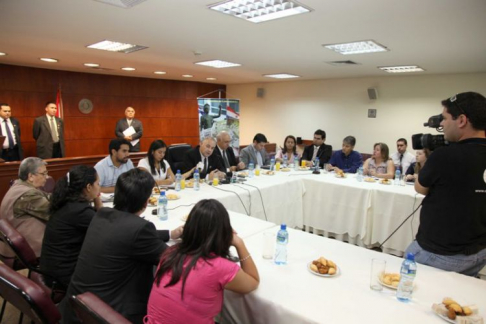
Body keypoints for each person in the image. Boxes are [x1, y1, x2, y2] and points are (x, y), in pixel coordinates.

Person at [59, 168, 183, 323]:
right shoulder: (140, 228)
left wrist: (170, 234)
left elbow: (128, 236)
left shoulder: (101, 215)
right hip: (108, 314)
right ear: (145, 202)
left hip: (77, 308)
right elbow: (173, 260)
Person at [405, 92, 486, 276]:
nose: (441, 124)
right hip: (479, 251)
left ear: (462, 120)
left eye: (444, 118)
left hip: (438, 253)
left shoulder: (445, 155)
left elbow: (420, 187)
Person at [145, 199, 259, 323]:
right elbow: (253, 282)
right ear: (223, 232)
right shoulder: (220, 267)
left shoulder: (171, 252)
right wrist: (239, 243)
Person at [40, 165, 102, 289]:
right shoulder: (80, 211)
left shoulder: (67, 202)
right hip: (63, 276)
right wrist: (98, 200)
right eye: (98, 183)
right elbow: (107, 228)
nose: (99, 187)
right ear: (89, 187)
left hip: (52, 269)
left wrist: (96, 198)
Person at [0, 157, 50, 258]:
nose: (47, 176)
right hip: (30, 251)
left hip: (9, 249)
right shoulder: (28, 195)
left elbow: (45, 196)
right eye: (44, 173)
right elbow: (54, 213)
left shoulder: (18, 185)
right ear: (31, 176)